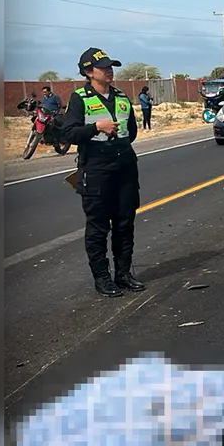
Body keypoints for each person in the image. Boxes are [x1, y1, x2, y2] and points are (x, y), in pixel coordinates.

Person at [61, 48, 144, 298]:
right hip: (96, 168)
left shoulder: (121, 96)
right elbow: (70, 133)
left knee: (125, 222)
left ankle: (123, 273)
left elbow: (131, 131)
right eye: (103, 67)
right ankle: (102, 278)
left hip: (125, 166)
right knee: (98, 226)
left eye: (111, 67)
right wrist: (97, 127)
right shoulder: (80, 98)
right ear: (88, 72)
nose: (109, 71)